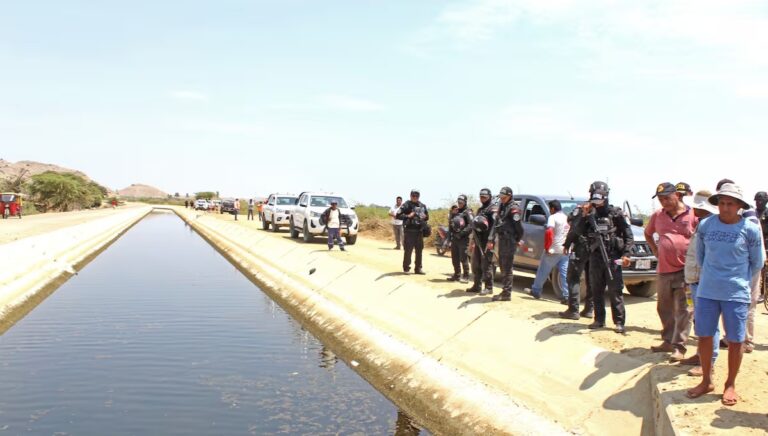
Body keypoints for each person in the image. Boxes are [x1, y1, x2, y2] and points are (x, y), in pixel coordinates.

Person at [687, 183, 764, 406]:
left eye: (730, 203)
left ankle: (730, 384)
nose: (725, 207)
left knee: (736, 340)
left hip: (736, 293)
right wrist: (713, 276)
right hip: (707, 291)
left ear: (740, 206)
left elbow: (757, 262)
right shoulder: (706, 226)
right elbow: (700, 257)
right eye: (722, 202)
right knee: (704, 335)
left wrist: (736, 281)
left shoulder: (749, 229)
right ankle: (706, 380)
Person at [645, 182, 698, 361]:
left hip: (686, 271)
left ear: (677, 195)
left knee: (684, 309)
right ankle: (668, 340)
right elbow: (647, 233)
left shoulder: (692, 214)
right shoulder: (657, 216)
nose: (664, 202)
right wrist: (655, 250)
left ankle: (679, 347)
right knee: (664, 307)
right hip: (664, 270)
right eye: (660, 199)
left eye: (667, 198)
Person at [579, 181, 633, 334]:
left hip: (613, 257)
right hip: (595, 258)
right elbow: (578, 231)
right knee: (596, 290)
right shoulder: (589, 213)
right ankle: (599, 320)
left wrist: (626, 253)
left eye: (600, 198)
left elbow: (628, 235)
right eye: (595, 198)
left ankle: (619, 322)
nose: (598, 202)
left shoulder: (615, 213)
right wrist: (584, 215)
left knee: (616, 291)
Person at [678, 190, 718, 376]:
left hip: (704, 282)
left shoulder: (712, 227)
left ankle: (707, 363)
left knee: (709, 325)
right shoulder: (702, 225)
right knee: (699, 322)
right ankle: (700, 355)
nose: (694, 208)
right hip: (694, 281)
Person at [526, 200, 569, 304]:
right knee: (564, 274)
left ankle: (536, 291)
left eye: (550, 208)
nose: (550, 211)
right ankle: (567, 296)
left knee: (543, 270)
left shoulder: (552, 217)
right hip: (564, 250)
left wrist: (547, 247)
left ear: (553, 209)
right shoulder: (566, 218)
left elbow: (549, 231)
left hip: (553, 249)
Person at [489, 187, 524, 302]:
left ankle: (506, 293)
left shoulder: (514, 208)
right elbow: (496, 223)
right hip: (502, 239)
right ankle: (505, 291)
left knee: (507, 268)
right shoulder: (502, 206)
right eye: (501, 197)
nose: (502, 199)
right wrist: (491, 238)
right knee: (503, 266)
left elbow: (519, 227)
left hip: (509, 240)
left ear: (509, 196)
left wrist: (517, 239)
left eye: (504, 197)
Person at [561, 203, 593, 319]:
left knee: (573, 278)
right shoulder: (598, 211)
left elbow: (574, 230)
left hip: (581, 249)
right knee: (591, 280)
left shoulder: (579, 212)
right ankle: (589, 309)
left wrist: (567, 244)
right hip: (595, 250)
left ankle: (573, 310)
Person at [467, 188, 496, 295]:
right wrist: (473, 241)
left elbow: (493, 226)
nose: (482, 198)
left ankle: (489, 287)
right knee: (476, 264)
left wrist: (490, 240)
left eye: (484, 197)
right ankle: (477, 285)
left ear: (489, 197)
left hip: (487, 241)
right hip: (478, 240)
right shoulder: (480, 210)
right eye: (481, 196)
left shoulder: (492, 209)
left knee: (486, 264)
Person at [396, 189, 429, 274]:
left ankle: (418, 268)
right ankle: (406, 268)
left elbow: (427, 217)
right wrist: (408, 215)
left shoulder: (422, 205)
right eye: (413, 196)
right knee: (408, 250)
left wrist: (424, 216)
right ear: (410, 196)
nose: (415, 197)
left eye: (416, 196)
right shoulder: (406, 205)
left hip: (419, 231)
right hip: (410, 231)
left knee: (419, 251)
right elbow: (398, 215)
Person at [448, 195, 473, 283]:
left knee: (463, 258)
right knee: (455, 258)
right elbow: (451, 223)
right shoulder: (456, 211)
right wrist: (452, 214)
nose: (460, 204)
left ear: (465, 202)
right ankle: (456, 275)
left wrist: (462, 233)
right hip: (455, 238)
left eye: (461, 202)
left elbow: (471, 225)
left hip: (463, 238)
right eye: (458, 202)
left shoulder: (468, 211)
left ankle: (466, 276)